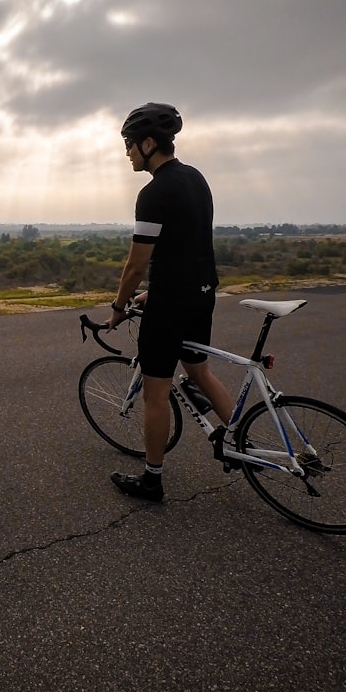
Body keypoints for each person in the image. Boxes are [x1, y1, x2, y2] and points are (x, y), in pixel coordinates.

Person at [105, 102, 234, 502]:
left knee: (155, 392)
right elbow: (187, 247)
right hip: (202, 293)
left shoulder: (153, 193)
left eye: (128, 144)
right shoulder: (196, 178)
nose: (126, 152)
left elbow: (135, 264)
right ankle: (240, 440)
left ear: (147, 143)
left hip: (171, 306)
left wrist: (118, 305)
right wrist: (157, 289)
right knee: (199, 372)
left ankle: (152, 479)